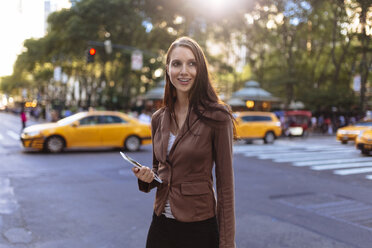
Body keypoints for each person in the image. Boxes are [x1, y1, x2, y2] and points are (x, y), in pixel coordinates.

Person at [131, 36, 236, 248]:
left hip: (199, 226)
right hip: (160, 225)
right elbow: (158, 169)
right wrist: (146, 177)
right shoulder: (158, 118)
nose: (184, 71)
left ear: (201, 70)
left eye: (191, 63)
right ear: (168, 69)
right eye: (177, 64)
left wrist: (227, 243)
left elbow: (225, 186)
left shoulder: (218, 116)